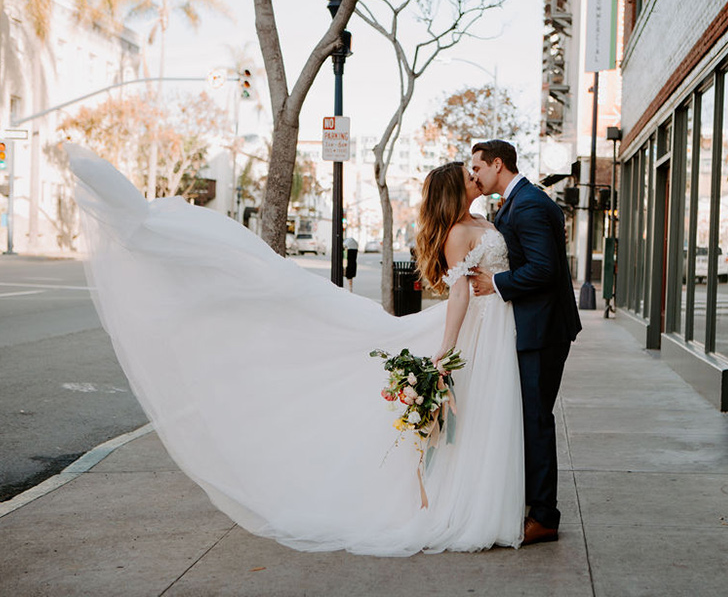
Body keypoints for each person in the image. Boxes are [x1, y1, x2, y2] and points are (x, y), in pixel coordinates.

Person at [68, 147, 523, 556]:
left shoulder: (486, 220)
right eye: (467, 173)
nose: (474, 175)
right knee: (472, 415)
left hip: (497, 324)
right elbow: (459, 297)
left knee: (486, 415)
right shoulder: (459, 232)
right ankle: (467, 507)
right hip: (477, 330)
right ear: (453, 189)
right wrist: (445, 352)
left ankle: (486, 502)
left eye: (474, 170)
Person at [469, 140, 581, 545]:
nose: (474, 175)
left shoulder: (529, 204)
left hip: (543, 329)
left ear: (497, 164)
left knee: (536, 420)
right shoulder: (519, 201)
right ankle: (533, 505)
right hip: (535, 327)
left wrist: (496, 283)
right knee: (530, 418)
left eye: (477, 167)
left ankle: (545, 516)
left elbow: (544, 270)